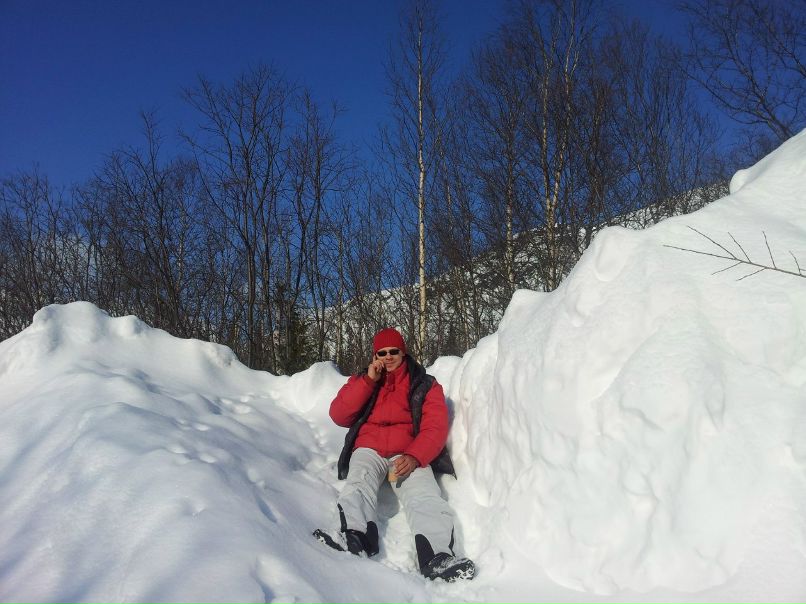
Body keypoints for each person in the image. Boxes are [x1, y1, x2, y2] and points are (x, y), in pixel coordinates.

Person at [313, 327, 475, 582]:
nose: (388, 357)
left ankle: (437, 558)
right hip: (369, 449)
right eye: (382, 352)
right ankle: (355, 537)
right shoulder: (362, 380)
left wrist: (415, 456)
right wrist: (368, 381)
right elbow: (339, 415)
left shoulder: (424, 384)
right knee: (358, 484)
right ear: (375, 354)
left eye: (393, 351)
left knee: (424, 497)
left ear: (403, 351)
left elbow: (435, 426)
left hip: (407, 453)